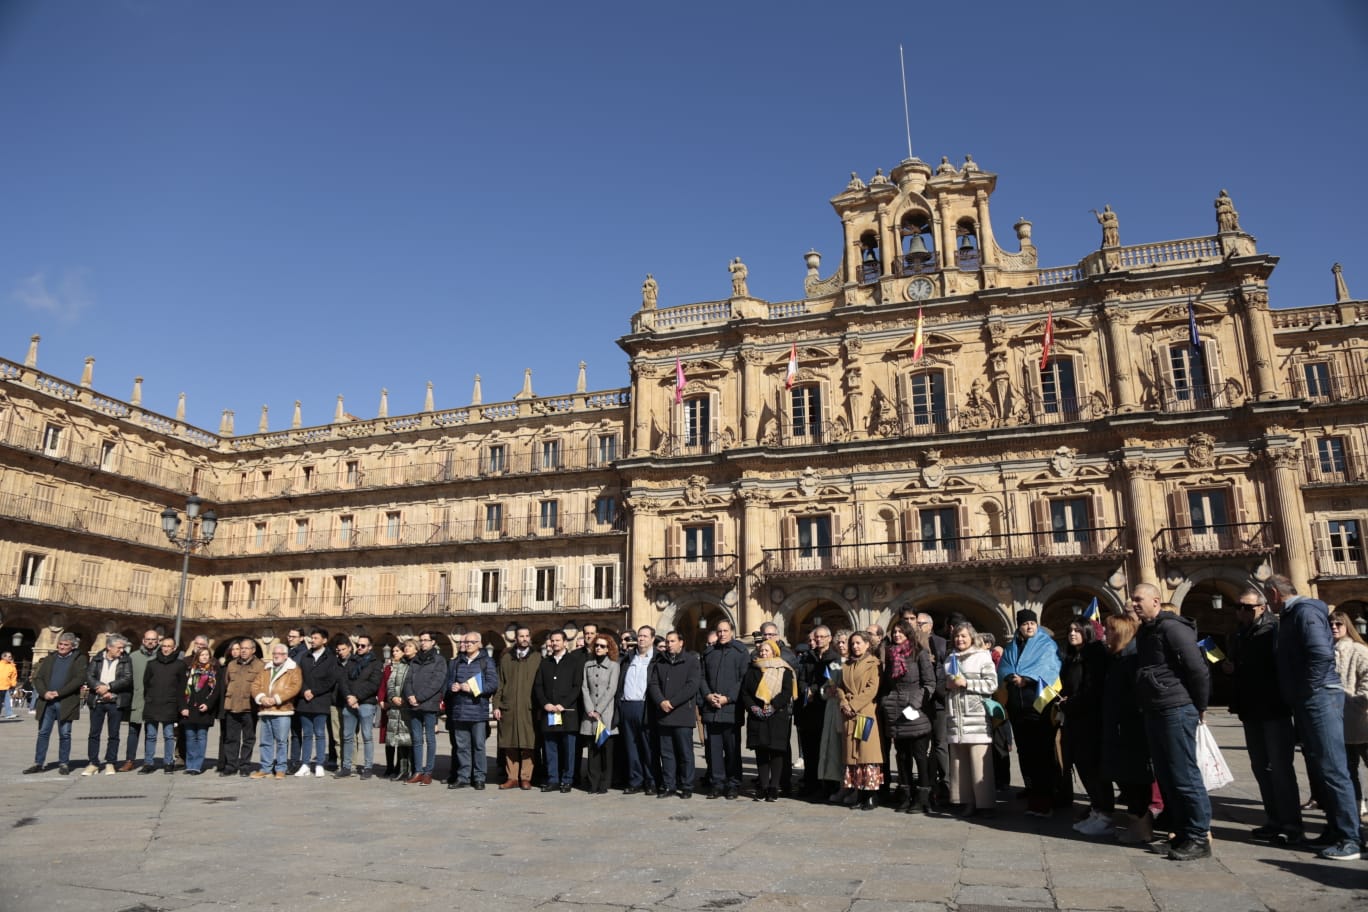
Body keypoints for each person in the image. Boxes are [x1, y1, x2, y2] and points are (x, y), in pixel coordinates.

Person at [1266, 574, 1361, 861]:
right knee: (1321, 766)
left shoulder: (1304, 612)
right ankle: (1335, 830)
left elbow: (1320, 654)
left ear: (1273, 594)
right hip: (1312, 696)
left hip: (1318, 696)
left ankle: (1351, 838)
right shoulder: (1296, 613)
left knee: (1333, 768)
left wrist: (1308, 691)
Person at [1131, 582, 1212, 861]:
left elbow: (1197, 669)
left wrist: (1200, 705)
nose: (1134, 604)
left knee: (1184, 775)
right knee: (1166, 776)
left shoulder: (1172, 628)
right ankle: (1179, 834)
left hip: (1176, 707)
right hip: (1155, 708)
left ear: (1156, 600)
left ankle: (1199, 837)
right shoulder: (1146, 631)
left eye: (1139, 599)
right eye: (1132, 599)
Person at [1227, 589, 1302, 844]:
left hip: (1274, 707)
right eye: (1238, 606)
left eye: (1247, 607)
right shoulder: (1239, 634)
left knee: (1280, 768)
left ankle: (1291, 824)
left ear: (1262, 607)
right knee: (1260, 767)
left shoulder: (1274, 630)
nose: (1241, 611)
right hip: (1250, 708)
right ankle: (1273, 820)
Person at [997, 608, 1062, 816]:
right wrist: (1011, 677)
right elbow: (1004, 668)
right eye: (1025, 624)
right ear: (1019, 626)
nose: (1029, 626)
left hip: (1039, 704)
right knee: (1025, 751)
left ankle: (1046, 797)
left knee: (1042, 752)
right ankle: (1032, 789)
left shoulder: (1046, 644)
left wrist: (1027, 678)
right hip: (1018, 705)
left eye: (1032, 623)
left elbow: (1050, 669)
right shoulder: (1011, 646)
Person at [1100, 613, 1154, 843]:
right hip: (1121, 727)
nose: (1105, 634)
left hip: (1131, 729)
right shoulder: (1119, 657)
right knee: (1127, 778)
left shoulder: (1132, 658)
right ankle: (1138, 825)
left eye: (1110, 630)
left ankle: (1141, 829)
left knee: (1136, 779)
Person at [1058, 619, 1110, 835]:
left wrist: (1070, 703)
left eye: (1077, 630)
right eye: (1069, 629)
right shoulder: (1071, 657)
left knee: (1093, 767)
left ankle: (1105, 814)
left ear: (1087, 632)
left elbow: (1092, 689)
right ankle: (1096, 809)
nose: (1072, 633)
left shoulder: (1095, 654)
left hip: (1090, 719)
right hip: (1074, 718)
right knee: (1082, 765)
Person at [945, 622, 998, 817]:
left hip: (975, 715)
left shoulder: (982, 656)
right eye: (957, 636)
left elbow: (992, 684)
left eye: (964, 636)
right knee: (959, 763)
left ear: (972, 637)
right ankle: (965, 801)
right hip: (956, 717)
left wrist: (967, 682)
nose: (960, 639)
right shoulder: (950, 658)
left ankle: (985, 804)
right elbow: (946, 683)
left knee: (978, 762)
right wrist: (947, 685)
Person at [882, 620, 935, 813]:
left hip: (915, 711)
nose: (896, 635)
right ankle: (905, 795)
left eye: (900, 632)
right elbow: (887, 684)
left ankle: (922, 798)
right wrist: (886, 701)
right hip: (895, 711)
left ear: (908, 634)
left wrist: (916, 702)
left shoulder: (919, 654)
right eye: (894, 632)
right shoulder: (890, 655)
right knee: (902, 756)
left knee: (919, 755)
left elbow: (929, 683)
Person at [24, 632, 89, 775]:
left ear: (72, 647)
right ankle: (38, 763)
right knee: (43, 733)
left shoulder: (79, 659)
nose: (62, 647)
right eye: (60, 644)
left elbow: (79, 679)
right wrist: (44, 692)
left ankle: (64, 763)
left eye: (66, 645)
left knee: (65, 734)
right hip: (47, 702)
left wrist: (59, 693)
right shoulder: (50, 658)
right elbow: (38, 678)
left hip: (65, 702)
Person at [740, 638, 795, 802]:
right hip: (758, 716)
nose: (763, 653)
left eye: (766, 650)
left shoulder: (784, 669)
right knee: (761, 751)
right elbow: (745, 692)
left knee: (777, 752)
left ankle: (774, 787)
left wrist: (773, 706)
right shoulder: (752, 669)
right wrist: (753, 708)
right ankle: (763, 786)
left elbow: (787, 692)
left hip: (777, 716)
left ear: (774, 652)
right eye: (761, 650)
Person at [700, 620, 750, 800]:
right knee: (713, 751)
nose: (722, 634)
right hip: (711, 710)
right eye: (719, 631)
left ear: (732, 632)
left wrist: (727, 698)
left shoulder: (741, 652)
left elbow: (742, 679)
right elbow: (702, 677)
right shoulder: (709, 653)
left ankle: (733, 784)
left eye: (725, 631)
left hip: (731, 709)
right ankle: (716, 784)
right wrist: (708, 696)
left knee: (732, 750)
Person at [647, 630, 700, 799]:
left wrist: (672, 702)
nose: (669, 644)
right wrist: (661, 701)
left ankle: (686, 786)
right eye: (668, 641)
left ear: (681, 642)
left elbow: (692, 686)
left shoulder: (691, 661)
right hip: (664, 714)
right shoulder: (660, 661)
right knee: (667, 753)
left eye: (672, 641)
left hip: (682, 714)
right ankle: (669, 785)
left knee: (685, 753)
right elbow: (653, 684)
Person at [445, 631, 498, 790]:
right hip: (459, 711)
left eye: (471, 642)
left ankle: (479, 777)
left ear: (479, 644)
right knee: (462, 747)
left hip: (478, 712)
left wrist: (473, 689)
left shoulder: (487, 662)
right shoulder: (456, 662)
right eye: (465, 642)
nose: (467, 644)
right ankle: (463, 777)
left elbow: (492, 685)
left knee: (479, 746)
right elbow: (448, 683)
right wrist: (452, 687)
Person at [1329, 611, 1368, 820]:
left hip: (1361, 721)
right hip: (1338, 722)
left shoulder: (1357, 649)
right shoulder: (1327, 650)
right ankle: (1356, 806)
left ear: (1347, 626)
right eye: (1331, 624)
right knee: (1348, 770)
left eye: (1339, 624)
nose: (1334, 627)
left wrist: (1358, 703)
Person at [838, 632, 883, 810]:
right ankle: (858, 793)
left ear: (867, 644)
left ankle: (871, 796)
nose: (855, 646)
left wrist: (853, 705)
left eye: (858, 643)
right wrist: (843, 701)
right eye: (853, 643)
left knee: (866, 754)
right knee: (853, 756)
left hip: (864, 713)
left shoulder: (873, 663)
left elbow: (872, 689)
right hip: (849, 715)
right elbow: (840, 686)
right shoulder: (846, 664)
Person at [534, 630, 583, 792]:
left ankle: (567, 779)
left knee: (569, 749)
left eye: (557, 640)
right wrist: (545, 703)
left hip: (567, 712)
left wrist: (563, 703)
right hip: (549, 713)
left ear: (565, 642)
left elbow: (577, 687)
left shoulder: (574, 662)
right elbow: (538, 686)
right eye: (552, 641)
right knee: (550, 748)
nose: (554, 643)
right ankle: (553, 779)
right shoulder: (545, 662)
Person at [494, 626, 540, 790]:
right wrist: (496, 705)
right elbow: (500, 683)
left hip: (529, 707)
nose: (524, 638)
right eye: (521, 636)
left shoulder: (537, 658)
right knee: (510, 743)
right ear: (516, 638)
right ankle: (512, 777)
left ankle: (526, 777)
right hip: (509, 707)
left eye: (527, 636)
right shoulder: (507, 659)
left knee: (528, 743)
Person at [797, 625, 839, 799]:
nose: (819, 640)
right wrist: (804, 688)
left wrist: (813, 689)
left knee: (826, 749)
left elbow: (829, 680)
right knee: (809, 749)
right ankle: (810, 782)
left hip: (825, 708)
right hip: (808, 709)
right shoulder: (808, 657)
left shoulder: (834, 658)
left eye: (823, 637)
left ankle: (828, 785)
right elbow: (801, 678)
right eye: (817, 637)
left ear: (829, 638)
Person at [81, 634, 132, 776]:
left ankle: (111, 762)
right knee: (94, 733)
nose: (122, 650)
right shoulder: (97, 658)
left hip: (115, 701)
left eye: (123, 647)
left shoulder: (126, 660)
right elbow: (89, 676)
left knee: (114, 734)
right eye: (119, 647)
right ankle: (93, 763)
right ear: (109, 647)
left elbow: (127, 679)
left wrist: (109, 688)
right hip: (98, 700)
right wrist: (100, 688)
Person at [250, 643, 301, 779]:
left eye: (279, 654)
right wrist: (261, 698)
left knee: (281, 741)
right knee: (265, 741)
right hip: (266, 709)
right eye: (274, 654)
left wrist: (277, 699)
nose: (276, 656)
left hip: (282, 710)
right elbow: (255, 685)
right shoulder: (266, 669)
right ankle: (265, 768)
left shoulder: (293, 669)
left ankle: (280, 768)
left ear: (285, 656)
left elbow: (294, 687)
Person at [403, 631, 448, 785]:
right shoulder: (415, 661)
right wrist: (410, 695)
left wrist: (419, 697)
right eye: (421, 640)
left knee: (430, 739)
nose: (422, 643)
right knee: (416, 739)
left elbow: (437, 682)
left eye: (426, 640)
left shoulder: (439, 660)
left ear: (433, 642)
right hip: (413, 704)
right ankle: (417, 771)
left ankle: (428, 772)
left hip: (429, 704)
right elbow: (407, 680)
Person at [618, 625, 658, 795]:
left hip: (645, 706)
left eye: (645, 636)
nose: (641, 639)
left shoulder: (657, 659)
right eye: (640, 636)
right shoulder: (628, 658)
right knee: (631, 746)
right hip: (627, 705)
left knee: (648, 746)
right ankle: (635, 780)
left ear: (652, 639)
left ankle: (651, 781)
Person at [295, 627, 339, 778]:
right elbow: (298, 676)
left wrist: (314, 691)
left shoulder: (331, 658)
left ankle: (319, 763)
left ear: (324, 640)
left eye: (315, 638)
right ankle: (305, 763)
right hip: (304, 701)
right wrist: (304, 690)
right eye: (311, 638)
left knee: (320, 733)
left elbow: (331, 680)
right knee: (306, 734)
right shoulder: (305, 656)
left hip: (321, 700)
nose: (312, 641)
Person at [337, 634, 383, 779]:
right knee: (347, 736)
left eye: (363, 646)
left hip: (366, 704)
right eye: (358, 645)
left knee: (367, 736)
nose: (360, 648)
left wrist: (357, 697)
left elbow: (373, 684)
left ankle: (368, 767)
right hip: (350, 702)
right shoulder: (352, 660)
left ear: (370, 647)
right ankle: (346, 766)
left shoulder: (376, 663)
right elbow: (343, 680)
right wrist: (349, 697)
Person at [581, 634, 620, 794]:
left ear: (608, 649)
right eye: (597, 645)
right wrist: (590, 709)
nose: (599, 648)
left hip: (605, 714)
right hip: (590, 715)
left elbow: (612, 689)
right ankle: (592, 783)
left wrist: (599, 710)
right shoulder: (587, 665)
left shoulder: (613, 666)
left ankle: (604, 783)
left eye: (603, 646)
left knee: (605, 750)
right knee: (592, 750)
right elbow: (584, 687)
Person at [139, 636, 184, 775]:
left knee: (169, 735)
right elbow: (146, 683)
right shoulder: (152, 664)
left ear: (174, 648)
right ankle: (148, 763)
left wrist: (180, 705)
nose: (166, 649)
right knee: (151, 735)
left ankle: (168, 762)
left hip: (170, 705)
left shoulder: (180, 665)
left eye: (169, 646)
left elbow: (182, 687)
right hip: (153, 703)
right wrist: (150, 698)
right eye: (164, 646)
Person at [221, 637, 263, 777]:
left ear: (253, 650)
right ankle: (231, 765)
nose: (243, 651)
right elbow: (227, 682)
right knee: (231, 738)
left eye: (246, 648)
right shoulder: (232, 665)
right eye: (242, 648)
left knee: (248, 738)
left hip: (249, 708)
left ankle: (245, 765)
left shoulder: (260, 666)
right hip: (232, 706)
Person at [119, 629, 160, 770]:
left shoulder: (161, 657)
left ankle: (148, 761)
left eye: (153, 639)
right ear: (143, 640)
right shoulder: (133, 656)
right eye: (148, 639)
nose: (150, 642)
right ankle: (129, 760)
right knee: (133, 732)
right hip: (136, 699)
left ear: (157, 641)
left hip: (153, 701)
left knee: (151, 733)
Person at [822, 630, 853, 803]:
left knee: (851, 752)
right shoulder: (833, 664)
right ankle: (842, 786)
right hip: (833, 711)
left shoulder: (856, 661)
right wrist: (826, 691)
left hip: (850, 710)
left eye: (844, 642)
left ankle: (853, 787)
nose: (841, 645)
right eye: (839, 642)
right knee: (838, 752)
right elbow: (824, 687)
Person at [180, 646, 220, 775]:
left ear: (210, 657)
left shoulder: (213, 672)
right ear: (197, 656)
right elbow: (181, 690)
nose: (204, 657)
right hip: (189, 709)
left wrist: (208, 704)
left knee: (201, 736)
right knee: (190, 737)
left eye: (206, 655)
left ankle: (197, 765)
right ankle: (190, 764)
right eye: (202, 655)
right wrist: (183, 707)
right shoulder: (189, 671)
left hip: (204, 710)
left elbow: (216, 691)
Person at [384, 641, 415, 782]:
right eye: (405, 647)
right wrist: (392, 697)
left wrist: (406, 699)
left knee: (412, 740)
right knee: (401, 740)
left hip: (411, 706)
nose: (406, 649)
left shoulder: (417, 665)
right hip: (397, 707)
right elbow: (390, 683)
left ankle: (414, 769)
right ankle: (403, 770)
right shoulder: (399, 665)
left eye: (409, 647)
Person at [0, 650, 19, 720]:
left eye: (11, 656)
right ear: (3, 657)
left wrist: (13, 685)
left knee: (7, 701)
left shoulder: (11, 666)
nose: (10, 658)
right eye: (9, 656)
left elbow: (14, 676)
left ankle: (9, 714)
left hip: (6, 686)